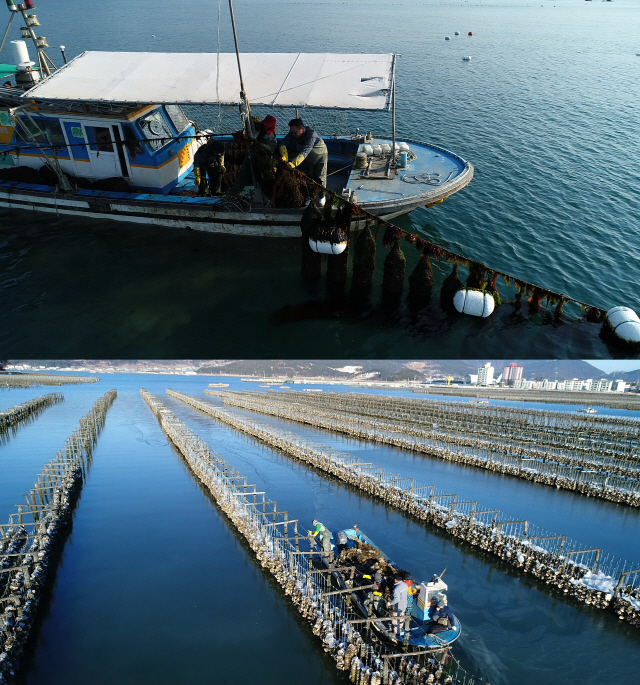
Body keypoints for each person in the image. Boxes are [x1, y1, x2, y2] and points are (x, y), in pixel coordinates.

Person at [279, 118, 328, 205]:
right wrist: (284, 156)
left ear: (301, 129)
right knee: (310, 176)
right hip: (308, 158)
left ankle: (322, 196)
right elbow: (283, 142)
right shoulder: (293, 134)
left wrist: (293, 164)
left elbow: (305, 151)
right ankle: (310, 196)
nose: (293, 134)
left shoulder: (311, 135)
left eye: (295, 132)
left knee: (320, 177)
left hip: (320, 156)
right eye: (291, 132)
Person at [231, 115, 278, 191]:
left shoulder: (271, 137)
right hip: (252, 153)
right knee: (243, 172)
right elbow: (249, 128)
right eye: (264, 124)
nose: (265, 126)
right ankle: (236, 190)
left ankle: (261, 192)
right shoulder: (259, 126)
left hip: (262, 158)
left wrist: (258, 145)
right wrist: (248, 120)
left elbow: (271, 148)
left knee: (259, 176)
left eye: (267, 125)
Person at [389, 574, 408, 638]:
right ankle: (400, 629)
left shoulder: (397, 589)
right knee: (401, 618)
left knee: (395, 619)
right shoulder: (405, 585)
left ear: (395, 580)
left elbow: (396, 599)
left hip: (398, 607)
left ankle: (396, 633)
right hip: (404, 605)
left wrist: (390, 603)